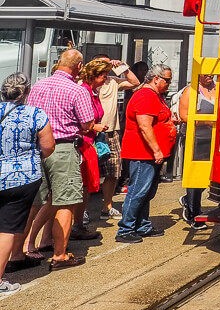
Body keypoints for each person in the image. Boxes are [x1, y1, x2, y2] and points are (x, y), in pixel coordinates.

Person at [24, 50, 92, 270]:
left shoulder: (38, 85)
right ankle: (60, 255)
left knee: (35, 202)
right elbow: (87, 124)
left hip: (37, 148)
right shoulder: (76, 90)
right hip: (62, 148)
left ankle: (21, 249)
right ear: (79, 66)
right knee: (65, 202)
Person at [1, 73, 55, 294]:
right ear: (26, 92)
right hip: (22, 178)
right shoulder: (36, 115)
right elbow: (48, 147)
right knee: (7, 229)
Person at [116, 65, 176, 244]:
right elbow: (144, 125)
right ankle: (126, 228)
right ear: (156, 79)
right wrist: (156, 149)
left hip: (149, 153)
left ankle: (142, 225)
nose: (169, 84)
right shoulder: (145, 96)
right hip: (143, 153)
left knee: (146, 191)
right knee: (138, 191)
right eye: (167, 80)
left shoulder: (153, 95)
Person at [68, 59, 112, 240]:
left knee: (85, 186)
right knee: (81, 187)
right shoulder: (83, 92)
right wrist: (95, 127)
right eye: (103, 76)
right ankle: (75, 225)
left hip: (89, 144)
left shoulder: (92, 92)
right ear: (94, 76)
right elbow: (80, 121)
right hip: (82, 144)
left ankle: (78, 224)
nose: (106, 79)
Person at [92, 55, 138, 218]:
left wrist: (122, 67)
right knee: (89, 172)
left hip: (111, 132)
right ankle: (82, 210)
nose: (108, 65)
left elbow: (135, 83)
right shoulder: (86, 83)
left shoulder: (113, 81)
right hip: (91, 133)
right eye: (104, 63)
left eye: (108, 62)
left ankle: (107, 206)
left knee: (113, 171)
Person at [176, 75, 215, 230]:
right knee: (196, 176)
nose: (209, 76)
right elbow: (184, 115)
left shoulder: (217, 88)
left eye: (212, 73)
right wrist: (210, 121)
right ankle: (194, 214)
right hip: (196, 139)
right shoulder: (190, 91)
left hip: (214, 139)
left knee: (209, 176)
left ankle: (188, 200)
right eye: (206, 74)